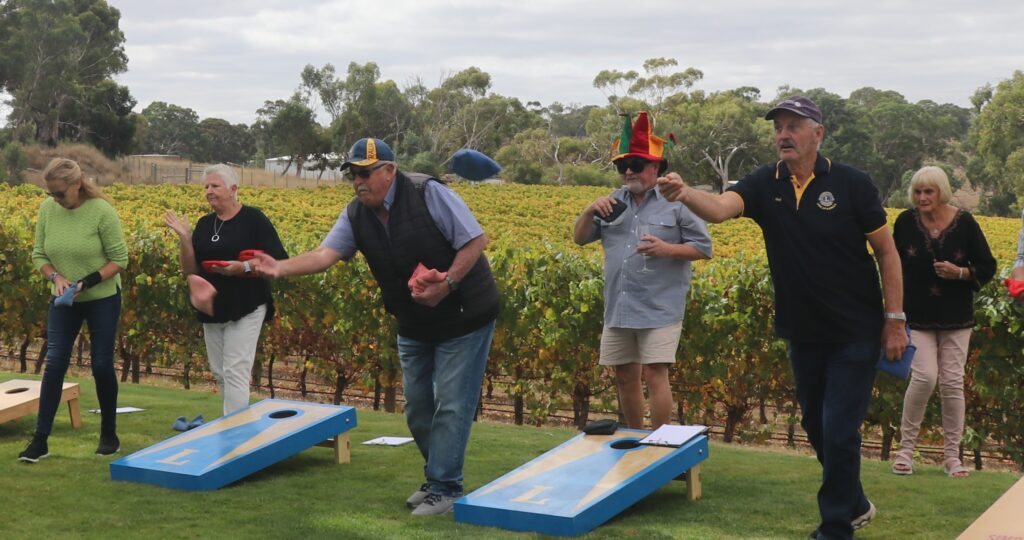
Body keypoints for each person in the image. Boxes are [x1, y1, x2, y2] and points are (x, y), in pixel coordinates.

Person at [658, 95, 907, 540]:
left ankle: (836, 525)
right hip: (803, 330)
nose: (783, 135)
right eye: (778, 128)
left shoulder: (852, 184)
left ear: (818, 133)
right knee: (816, 425)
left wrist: (895, 319)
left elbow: (887, 253)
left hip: (855, 330)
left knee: (839, 428)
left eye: (794, 126)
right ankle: (854, 500)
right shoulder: (763, 183)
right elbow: (719, 209)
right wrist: (684, 193)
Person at [252, 138, 499, 517]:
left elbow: (475, 240)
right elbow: (325, 254)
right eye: (353, 174)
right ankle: (438, 479)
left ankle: (445, 488)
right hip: (414, 320)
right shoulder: (356, 215)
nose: (358, 182)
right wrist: (279, 267)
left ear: (389, 170)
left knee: (450, 404)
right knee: (418, 408)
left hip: (465, 314)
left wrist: (447, 283)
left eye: (366, 173)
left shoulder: (428, 192)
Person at [573, 111, 712, 429]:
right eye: (623, 166)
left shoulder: (677, 202)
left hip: (660, 307)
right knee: (624, 374)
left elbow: (704, 248)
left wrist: (666, 250)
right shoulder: (610, 202)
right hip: (619, 306)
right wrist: (587, 211)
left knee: (655, 373)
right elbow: (580, 239)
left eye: (635, 165)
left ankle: (659, 446)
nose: (628, 172)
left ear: (656, 167)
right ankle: (636, 440)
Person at [19, 158, 128, 462]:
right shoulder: (47, 210)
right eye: (50, 193)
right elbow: (39, 253)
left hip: (102, 298)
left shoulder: (101, 212)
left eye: (59, 193)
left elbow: (120, 259)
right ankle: (40, 440)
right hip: (64, 300)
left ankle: (109, 435)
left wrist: (86, 282)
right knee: (54, 364)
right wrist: (55, 277)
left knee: (102, 365)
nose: (54, 199)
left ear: (76, 184)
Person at [890, 166, 995, 478]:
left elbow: (987, 265)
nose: (922, 198)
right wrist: (891, 312)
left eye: (929, 192)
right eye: (918, 192)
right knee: (924, 378)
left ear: (941, 192)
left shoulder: (965, 223)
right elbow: (891, 264)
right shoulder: (905, 222)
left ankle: (952, 458)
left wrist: (961, 273)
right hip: (916, 317)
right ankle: (905, 451)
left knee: (951, 384)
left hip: (956, 317)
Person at [163, 164, 288, 415]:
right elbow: (191, 269)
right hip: (213, 306)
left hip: (247, 304)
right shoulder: (205, 224)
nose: (208, 191)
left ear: (233, 189)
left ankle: (235, 436)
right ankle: (234, 422)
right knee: (220, 371)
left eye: (215, 186)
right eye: (206, 186)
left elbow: (278, 259)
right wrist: (185, 240)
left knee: (235, 370)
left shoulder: (254, 219)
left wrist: (242, 267)